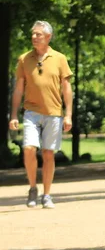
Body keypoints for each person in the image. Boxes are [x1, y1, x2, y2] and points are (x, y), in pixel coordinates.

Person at [9, 21, 73, 209]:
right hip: (31, 112)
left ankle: (46, 194)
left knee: (48, 154)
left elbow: (66, 88)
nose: (34, 37)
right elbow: (19, 89)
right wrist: (13, 115)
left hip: (54, 113)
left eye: (38, 34)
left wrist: (68, 114)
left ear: (48, 37)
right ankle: (32, 188)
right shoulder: (24, 59)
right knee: (28, 148)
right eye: (33, 34)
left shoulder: (60, 58)